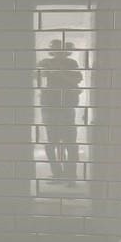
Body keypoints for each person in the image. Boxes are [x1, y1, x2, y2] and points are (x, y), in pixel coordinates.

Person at [37, 40, 82, 184]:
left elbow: (76, 80)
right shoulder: (45, 62)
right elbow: (35, 75)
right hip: (50, 105)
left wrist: (58, 74)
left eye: (60, 50)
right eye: (55, 50)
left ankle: (70, 176)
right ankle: (58, 174)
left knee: (69, 142)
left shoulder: (71, 63)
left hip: (65, 106)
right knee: (52, 143)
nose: (58, 53)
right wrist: (45, 72)